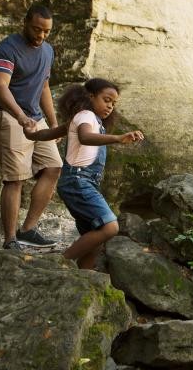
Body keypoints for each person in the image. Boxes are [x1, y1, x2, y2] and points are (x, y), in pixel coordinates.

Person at [24, 78, 144, 269]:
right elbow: (85, 137)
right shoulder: (86, 115)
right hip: (78, 180)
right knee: (110, 227)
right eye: (106, 100)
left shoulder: (85, 120)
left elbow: (52, 133)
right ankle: (59, 262)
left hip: (82, 182)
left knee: (95, 238)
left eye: (114, 103)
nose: (110, 106)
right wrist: (118, 138)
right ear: (90, 96)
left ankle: (83, 276)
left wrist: (32, 135)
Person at [0, 3, 62, 250]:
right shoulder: (7, 49)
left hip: (35, 117)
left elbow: (44, 87)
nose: (41, 36)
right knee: (15, 178)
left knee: (53, 167)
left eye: (46, 31)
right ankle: (10, 240)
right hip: (7, 115)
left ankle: (28, 229)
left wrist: (53, 122)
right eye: (37, 29)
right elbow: (0, 87)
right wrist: (20, 116)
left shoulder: (47, 50)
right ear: (25, 22)